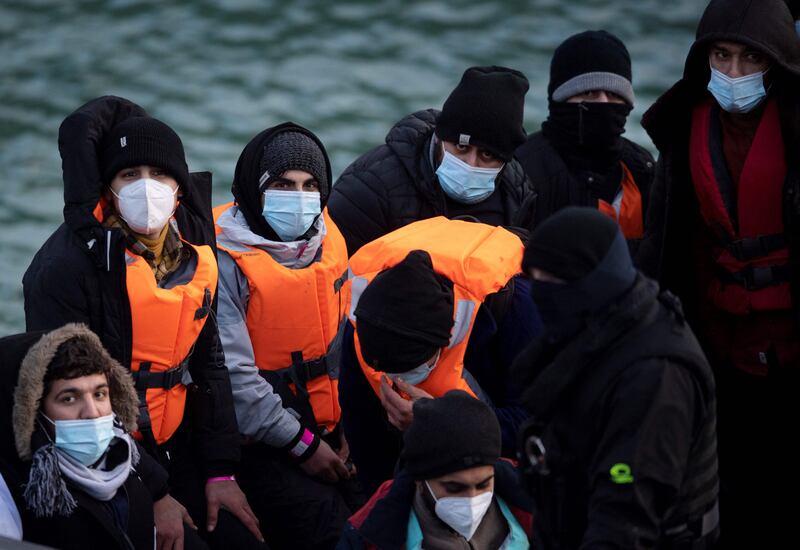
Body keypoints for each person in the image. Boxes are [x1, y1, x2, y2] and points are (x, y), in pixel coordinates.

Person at [22, 97, 265, 549]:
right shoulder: (63, 270)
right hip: (107, 457)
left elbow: (209, 364)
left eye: (159, 174)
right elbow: (71, 400)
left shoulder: (192, 252)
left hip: (182, 444)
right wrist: (152, 491)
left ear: (178, 188)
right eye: (129, 175)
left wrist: (221, 470)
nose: (146, 187)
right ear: (109, 188)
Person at [638, 0, 800, 543]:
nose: (733, 74)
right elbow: (663, 245)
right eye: (721, 56)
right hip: (717, 348)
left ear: (776, 62)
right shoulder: (685, 130)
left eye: (750, 59)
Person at [512, 207, 719, 549]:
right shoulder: (592, 333)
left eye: (555, 281)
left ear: (596, 281)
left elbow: (625, 518)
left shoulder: (655, 375)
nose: (542, 295)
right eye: (534, 279)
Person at [213, 123, 357, 549]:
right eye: (282, 184)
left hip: (334, 426)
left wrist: (355, 419)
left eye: (310, 185)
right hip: (260, 445)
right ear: (254, 192)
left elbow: (348, 339)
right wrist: (302, 445)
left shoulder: (330, 241)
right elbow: (236, 378)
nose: (298, 197)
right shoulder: (223, 263)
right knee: (330, 530)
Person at [340, 217, 540, 493]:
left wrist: (439, 421)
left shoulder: (520, 310)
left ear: (445, 342)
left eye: (417, 367)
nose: (404, 380)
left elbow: (540, 423)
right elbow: (362, 425)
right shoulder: (364, 321)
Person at [0, 323, 189, 550]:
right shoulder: (14, 489)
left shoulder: (124, 457)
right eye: (69, 398)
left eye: (100, 394)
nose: (92, 412)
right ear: (32, 411)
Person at [328, 65, 534, 255]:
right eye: (461, 147)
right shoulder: (370, 186)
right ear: (439, 138)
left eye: (487, 155)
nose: (470, 164)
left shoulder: (517, 193)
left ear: (505, 160)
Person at [338, 390, 532, 550]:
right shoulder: (367, 536)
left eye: (483, 485)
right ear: (420, 481)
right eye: (454, 488)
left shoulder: (536, 506)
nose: (472, 501)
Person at [515, 30, 654, 251]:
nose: (603, 103)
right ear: (560, 99)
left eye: (614, 95)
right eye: (589, 93)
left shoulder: (641, 167)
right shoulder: (524, 169)